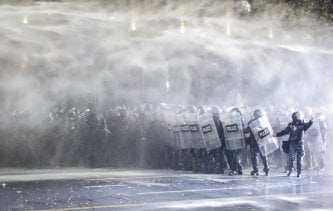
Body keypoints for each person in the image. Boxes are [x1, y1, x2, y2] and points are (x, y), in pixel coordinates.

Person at [275, 111, 313, 177]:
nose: (300, 116)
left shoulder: (302, 125)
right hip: (292, 143)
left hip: (300, 143)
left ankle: (299, 172)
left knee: (299, 159)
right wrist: (277, 134)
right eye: (298, 115)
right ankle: (290, 171)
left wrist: (311, 120)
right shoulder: (291, 124)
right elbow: (285, 131)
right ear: (295, 117)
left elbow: (308, 125)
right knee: (291, 158)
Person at [245, 108, 270, 176]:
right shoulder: (264, 120)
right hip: (262, 140)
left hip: (254, 141)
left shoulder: (252, 121)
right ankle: (266, 169)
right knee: (263, 155)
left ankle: (256, 170)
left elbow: (247, 130)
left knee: (254, 156)